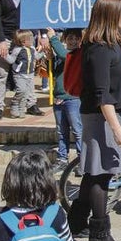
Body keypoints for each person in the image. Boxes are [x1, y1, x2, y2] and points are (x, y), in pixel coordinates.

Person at [66, 0, 121, 241]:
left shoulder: (109, 43)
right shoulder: (99, 48)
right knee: (101, 177)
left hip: (105, 116)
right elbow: (101, 93)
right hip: (101, 117)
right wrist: (116, 128)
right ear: (111, 15)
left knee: (95, 173)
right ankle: (100, 234)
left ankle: (75, 223)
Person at [46, 28, 82, 171]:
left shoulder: (78, 55)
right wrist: (51, 59)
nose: (72, 41)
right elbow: (56, 72)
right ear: (65, 40)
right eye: (69, 39)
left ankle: (82, 160)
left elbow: (63, 54)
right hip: (59, 98)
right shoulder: (62, 56)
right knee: (61, 131)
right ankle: (62, 158)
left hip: (73, 99)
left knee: (78, 131)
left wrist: (53, 38)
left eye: (75, 39)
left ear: (80, 41)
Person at [5, 30, 44, 118]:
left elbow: (36, 57)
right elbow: (11, 60)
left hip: (30, 74)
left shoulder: (32, 48)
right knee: (21, 90)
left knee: (26, 94)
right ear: (23, 41)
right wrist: (5, 55)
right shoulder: (17, 50)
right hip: (19, 75)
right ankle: (14, 105)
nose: (32, 41)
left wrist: (44, 52)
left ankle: (21, 110)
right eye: (30, 39)